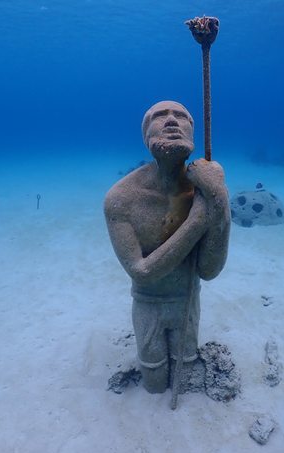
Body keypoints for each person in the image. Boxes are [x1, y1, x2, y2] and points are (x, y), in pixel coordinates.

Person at [104, 100, 230, 393]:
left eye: (182, 116)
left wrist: (218, 197)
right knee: (155, 382)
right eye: (160, 116)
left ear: (193, 133)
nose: (172, 120)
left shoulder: (204, 188)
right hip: (148, 304)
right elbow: (141, 272)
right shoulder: (122, 199)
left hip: (187, 300)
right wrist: (198, 221)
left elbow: (209, 271)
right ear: (145, 134)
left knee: (184, 376)